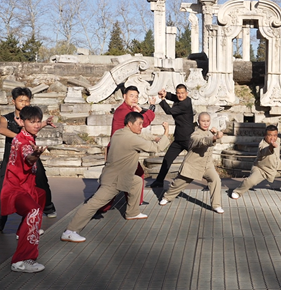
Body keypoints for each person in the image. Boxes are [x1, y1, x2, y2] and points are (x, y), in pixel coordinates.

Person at [61, 113, 170, 243]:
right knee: (93, 204)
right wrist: (166, 132)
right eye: (140, 124)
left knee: (136, 181)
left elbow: (140, 136)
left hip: (118, 175)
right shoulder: (131, 139)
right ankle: (70, 231)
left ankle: (132, 212)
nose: (142, 126)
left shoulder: (119, 133)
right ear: (130, 124)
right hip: (115, 179)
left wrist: (154, 137)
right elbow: (156, 148)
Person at [0, 87, 57, 237]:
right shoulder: (7, 118)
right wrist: (20, 137)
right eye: (21, 100)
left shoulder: (30, 119)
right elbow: (1, 130)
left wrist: (43, 123)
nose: (24, 103)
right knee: (0, 191)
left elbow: (34, 125)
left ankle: (48, 208)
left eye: (27, 100)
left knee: (41, 184)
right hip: (12, 161)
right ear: (13, 101)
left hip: (30, 156)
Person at [0, 106, 48, 273]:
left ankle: (23, 231)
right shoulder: (23, 142)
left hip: (26, 187)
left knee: (41, 195)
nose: (36, 125)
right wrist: (36, 155)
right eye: (32, 122)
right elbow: (28, 157)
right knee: (34, 211)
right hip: (16, 189)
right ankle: (22, 260)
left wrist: (45, 123)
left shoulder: (25, 135)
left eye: (38, 122)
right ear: (21, 122)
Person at [99, 85, 157, 212]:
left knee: (132, 176)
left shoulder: (128, 109)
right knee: (115, 181)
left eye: (136, 96)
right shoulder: (123, 111)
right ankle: (102, 206)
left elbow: (140, 116)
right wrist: (151, 108)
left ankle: (131, 203)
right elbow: (144, 121)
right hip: (119, 151)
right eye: (131, 96)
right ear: (124, 96)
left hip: (123, 150)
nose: (134, 98)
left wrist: (147, 109)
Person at [159, 112, 225, 214]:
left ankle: (216, 205)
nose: (205, 123)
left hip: (207, 165)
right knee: (179, 183)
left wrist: (216, 134)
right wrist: (214, 137)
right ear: (198, 122)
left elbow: (215, 139)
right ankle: (167, 196)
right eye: (203, 121)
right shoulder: (195, 134)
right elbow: (201, 141)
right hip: (193, 165)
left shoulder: (210, 132)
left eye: (208, 121)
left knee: (215, 179)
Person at [231, 125, 281, 199]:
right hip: (261, 170)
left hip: (276, 168)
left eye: (275, 135)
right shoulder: (262, 145)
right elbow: (266, 150)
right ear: (265, 135)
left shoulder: (277, 139)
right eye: (270, 135)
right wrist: (271, 146)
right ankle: (237, 192)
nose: (273, 138)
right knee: (251, 181)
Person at [149, 84, 194, 188]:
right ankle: (159, 181)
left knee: (198, 159)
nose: (180, 95)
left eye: (182, 93)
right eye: (178, 93)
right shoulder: (181, 99)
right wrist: (166, 94)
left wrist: (162, 100)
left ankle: (211, 182)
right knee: (167, 159)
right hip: (178, 139)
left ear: (187, 93)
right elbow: (175, 98)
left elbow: (169, 111)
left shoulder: (185, 104)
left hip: (188, 139)